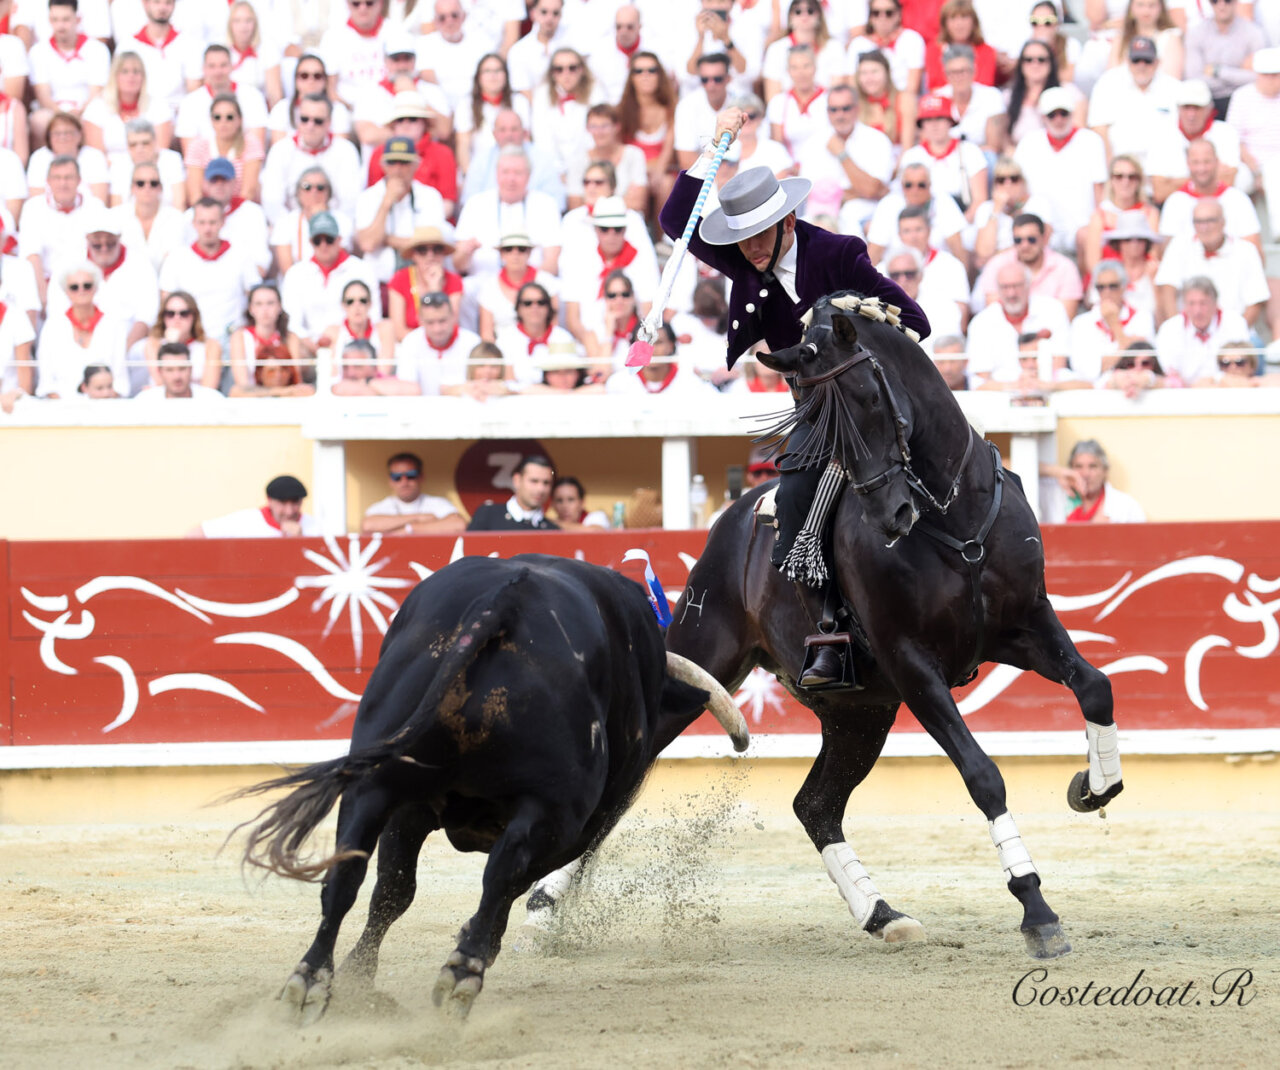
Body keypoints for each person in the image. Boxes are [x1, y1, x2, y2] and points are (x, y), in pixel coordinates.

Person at [658, 106, 928, 688]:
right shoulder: (742, 260)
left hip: (870, 402)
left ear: (788, 221)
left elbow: (913, 321)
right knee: (798, 490)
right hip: (814, 410)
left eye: (761, 233)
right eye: (742, 237)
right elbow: (676, 218)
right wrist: (714, 147)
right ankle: (830, 631)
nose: (752, 247)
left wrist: (850, 327)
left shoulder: (838, 254)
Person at [1013, 86, 1107, 258]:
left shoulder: (1090, 141)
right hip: (1041, 228)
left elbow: (1099, 189)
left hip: (1080, 227)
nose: (1059, 119)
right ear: (1043, 117)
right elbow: (1018, 189)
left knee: (1088, 234)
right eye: (1052, 115)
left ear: (1072, 114)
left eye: (1063, 113)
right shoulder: (1029, 143)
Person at [1154, 197, 1268, 327]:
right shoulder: (1179, 245)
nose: (1204, 227)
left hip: (1235, 333)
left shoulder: (1246, 250)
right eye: (1198, 221)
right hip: (1188, 332)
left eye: (1210, 221)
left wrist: (1236, 332)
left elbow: (1255, 301)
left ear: (1223, 222)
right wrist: (1179, 329)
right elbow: (1167, 289)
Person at [965, 261, 1070, 387]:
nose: (1011, 293)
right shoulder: (981, 323)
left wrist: (1036, 386)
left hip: (1048, 391)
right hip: (1000, 396)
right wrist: (1015, 386)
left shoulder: (1053, 310)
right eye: (1005, 287)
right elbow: (979, 381)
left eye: (1017, 286)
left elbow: (1059, 366)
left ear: (1029, 285)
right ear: (997, 288)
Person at [35, 261, 129, 398]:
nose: (81, 291)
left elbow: (120, 380)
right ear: (66, 291)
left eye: (87, 285)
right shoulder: (53, 326)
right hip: (62, 406)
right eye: (74, 287)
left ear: (95, 288)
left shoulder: (113, 325)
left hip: (104, 404)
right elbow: (46, 382)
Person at [1086, 36, 1179, 166]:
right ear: (1127, 61)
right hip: (1120, 164)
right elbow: (1098, 127)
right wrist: (1111, 166)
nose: (1141, 66)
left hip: (1164, 165)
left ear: (1157, 62)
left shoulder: (1173, 87)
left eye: (1147, 61)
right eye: (1136, 60)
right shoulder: (1108, 82)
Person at [971, 213, 1083, 319]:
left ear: (1044, 238)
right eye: (1018, 240)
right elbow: (994, 313)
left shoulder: (1064, 267)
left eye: (1031, 239)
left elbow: (1066, 317)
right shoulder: (997, 265)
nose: (1025, 245)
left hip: (1050, 331)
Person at [1069, 261, 1156, 382]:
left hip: (1134, 385)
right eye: (1101, 287)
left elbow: (1143, 362)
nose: (1107, 292)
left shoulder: (1142, 317)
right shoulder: (1081, 323)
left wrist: (1115, 325)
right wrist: (1127, 345)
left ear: (1124, 287)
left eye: (1113, 286)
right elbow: (1083, 369)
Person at [1153, 276, 1249, 385]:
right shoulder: (1169, 329)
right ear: (1184, 305)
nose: (1197, 311)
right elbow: (1169, 372)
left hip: (1225, 388)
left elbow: (1242, 367)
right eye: (1191, 303)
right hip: (1183, 392)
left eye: (1203, 303)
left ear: (1215, 304)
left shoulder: (1235, 323)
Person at [1183, 0, 1265, 117]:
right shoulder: (1196, 33)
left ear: (1236, 2)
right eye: (1215, 1)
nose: (1221, 5)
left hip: (1244, 100)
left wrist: (1217, 71)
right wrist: (1238, 76)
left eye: (1227, 1)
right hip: (1206, 100)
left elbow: (1258, 77)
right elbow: (1194, 78)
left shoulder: (1253, 32)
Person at [395, 290, 481, 395]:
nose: (437, 329)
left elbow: (481, 386)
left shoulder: (473, 342)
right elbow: (407, 388)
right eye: (430, 322)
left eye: (442, 321)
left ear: (453, 316)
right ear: (420, 320)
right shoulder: (410, 342)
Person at [1039, 440, 1146, 525]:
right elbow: (1029, 467)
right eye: (1078, 466)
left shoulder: (1125, 505)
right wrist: (1057, 472)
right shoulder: (1055, 495)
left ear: (1105, 471)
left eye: (1093, 466)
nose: (1085, 474)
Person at [360, 451, 466, 535]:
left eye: (411, 475)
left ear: (421, 477)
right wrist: (418, 518)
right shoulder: (381, 507)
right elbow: (367, 526)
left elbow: (459, 525)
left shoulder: (437, 503)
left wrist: (410, 529)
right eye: (397, 477)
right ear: (390, 481)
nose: (404, 482)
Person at [191, 474, 323, 538]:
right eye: (282, 503)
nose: (289, 511)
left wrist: (301, 541)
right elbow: (196, 534)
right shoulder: (246, 521)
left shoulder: (316, 528)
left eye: (295, 503)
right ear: (269, 500)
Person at [228, 282, 303, 392]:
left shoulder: (290, 338)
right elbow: (242, 384)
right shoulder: (240, 337)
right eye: (259, 304)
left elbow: (295, 378)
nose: (265, 309)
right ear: (251, 308)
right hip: (252, 397)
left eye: (270, 303)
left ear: (279, 306)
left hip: (285, 397)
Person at [466, 454, 561, 530]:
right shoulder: (487, 515)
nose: (541, 489)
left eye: (546, 483)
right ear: (517, 480)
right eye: (534, 481)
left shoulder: (553, 529)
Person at [134, 341, 227, 401]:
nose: (177, 376)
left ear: (190, 369)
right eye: (169, 370)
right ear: (159, 371)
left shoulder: (213, 399)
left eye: (182, 368)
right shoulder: (145, 401)